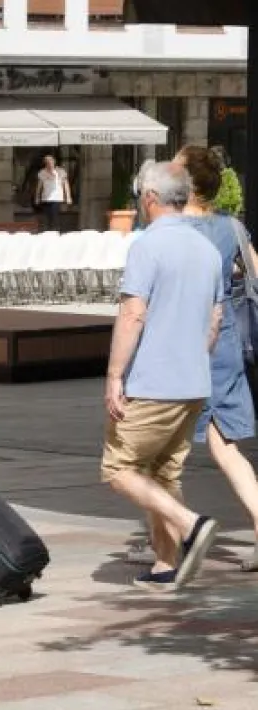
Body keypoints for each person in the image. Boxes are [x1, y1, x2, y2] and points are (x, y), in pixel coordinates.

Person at [101, 161, 222, 592]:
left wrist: (115, 375)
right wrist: (193, 357)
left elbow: (133, 313)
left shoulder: (147, 246)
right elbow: (215, 318)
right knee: (163, 473)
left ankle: (192, 524)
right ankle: (165, 565)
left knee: (119, 468)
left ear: (150, 198)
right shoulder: (206, 249)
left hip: (153, 381)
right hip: (193, 380)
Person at [175, 145, 258, 572]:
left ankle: (170, 539)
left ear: (186, 181)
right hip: (224, 342)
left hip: (183, 344)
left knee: (160, 446)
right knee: (225, 446)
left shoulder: (171, 229)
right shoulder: (232, 228)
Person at [34, 155, 72, 231]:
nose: (49, 163)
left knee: (55, 217)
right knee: (46, 217)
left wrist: (68, 197)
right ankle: (47, 233)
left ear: (54, 162)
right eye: (47, 162)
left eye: (50, 161)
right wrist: (37, 197)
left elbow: (66, 185)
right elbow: (39, 186)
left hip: (56, 198)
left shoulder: (60, 171)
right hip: (45, 198)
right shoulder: (42, 172)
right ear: (45, 163)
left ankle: (55, 232)